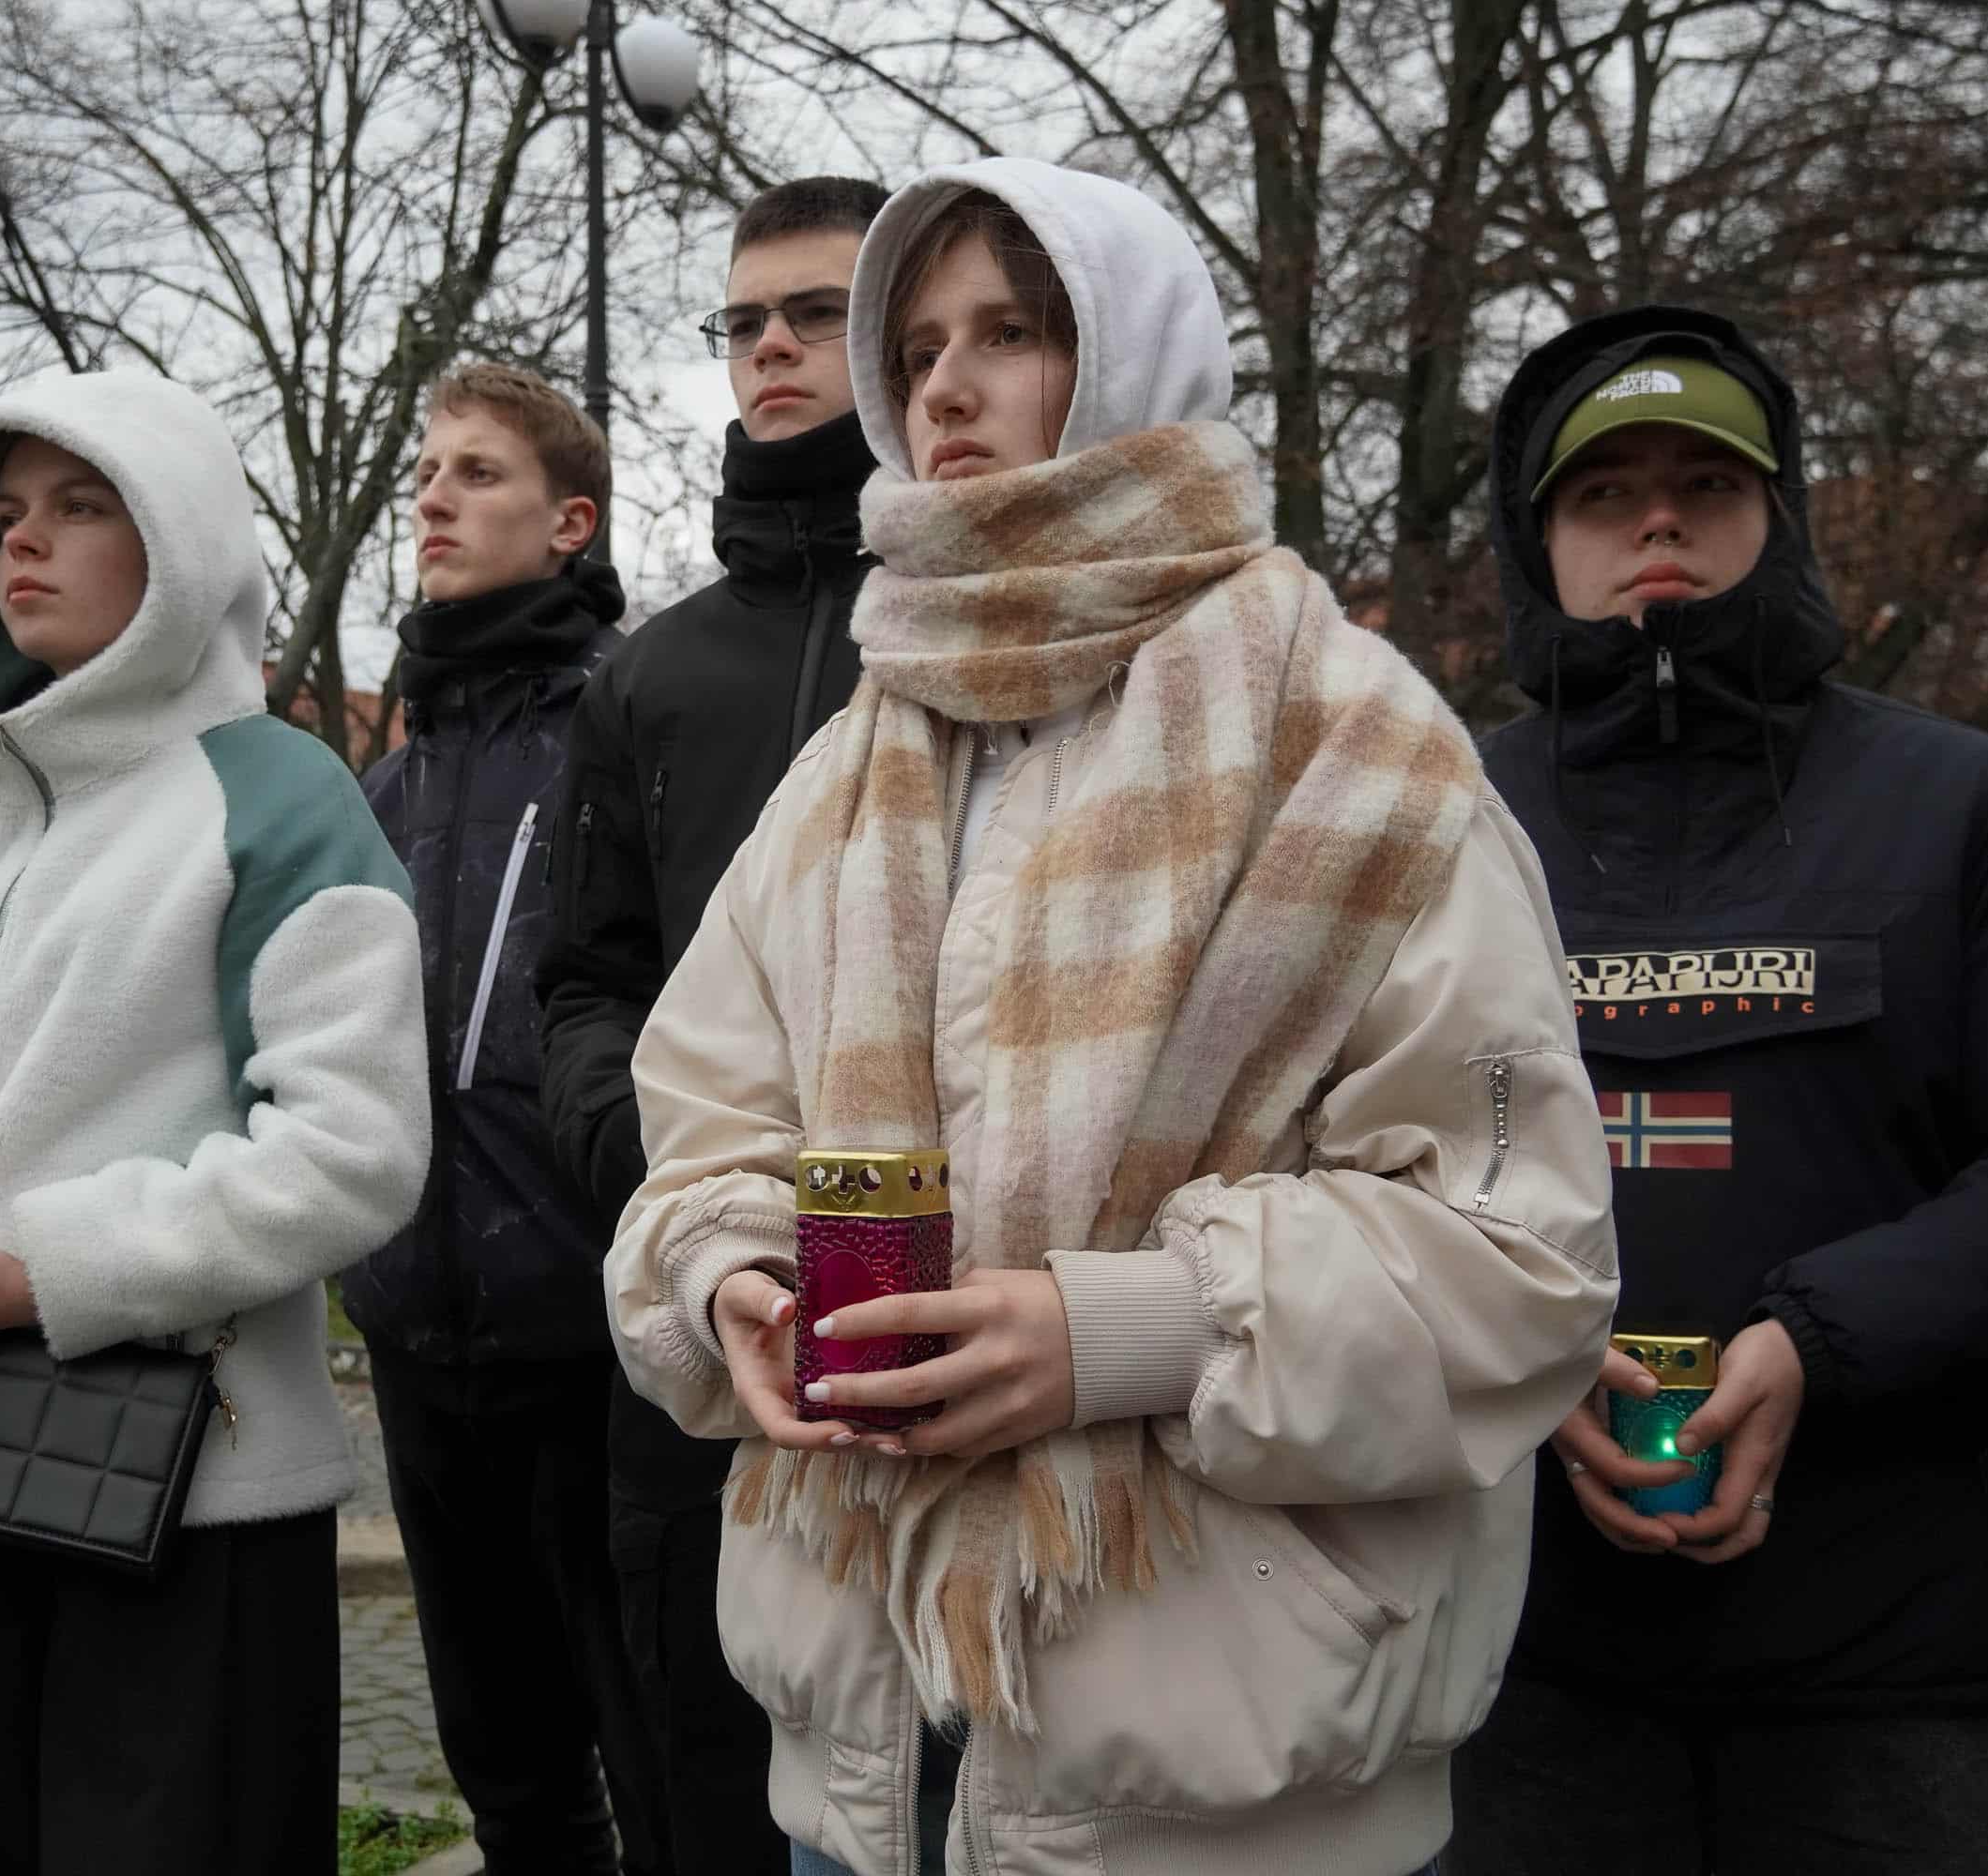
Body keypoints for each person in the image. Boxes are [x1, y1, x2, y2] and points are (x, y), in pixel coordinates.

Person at [599, 157, 1622, 1876]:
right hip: (865, 1770)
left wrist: (1128, 1333)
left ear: (1136, 351)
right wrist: (735, 1281)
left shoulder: (1357, 747)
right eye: (916, 344)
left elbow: (1518, 1266)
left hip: (1228, 1790)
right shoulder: (847, 771)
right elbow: (701, 1124)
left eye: (1013, 329)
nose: (944, 383)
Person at [1446, 306, 1988, 1871]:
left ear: (1775, 520)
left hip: (1904, 1666)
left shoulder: (1964, 806)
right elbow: (1341, 1172)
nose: (1658, 518)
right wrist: (1519, 1355)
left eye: (1705, 485)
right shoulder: (1439, 818)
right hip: (1521, 1664)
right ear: (1541, 547)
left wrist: (1812, 1339)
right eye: (1605, 493)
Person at [0, 369, 430, 1875]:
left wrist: (43, 1273)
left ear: (182, 540)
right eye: (4, 515)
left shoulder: (278, 794)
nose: (24, 545)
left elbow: (354, 1150)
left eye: (80, 506)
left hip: (190, 1513)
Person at [535, 172, 888, 1874]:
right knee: (706, 1792)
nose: (770, 347)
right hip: (700, 1330)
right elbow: (584, 982)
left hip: (959, 1313)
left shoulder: (992, 628)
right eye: (742, 319)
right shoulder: (652, 673)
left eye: (814, 312)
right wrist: (660, 1182)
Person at [353, 361, 660, 1872]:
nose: (433, 496)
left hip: (594, 1341)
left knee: (655, 1757)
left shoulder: (630, 725)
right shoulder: (391, 775)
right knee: (508, 1776)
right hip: (418, 1340)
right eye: (430, 470)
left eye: (478, 473)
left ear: (569, 524)